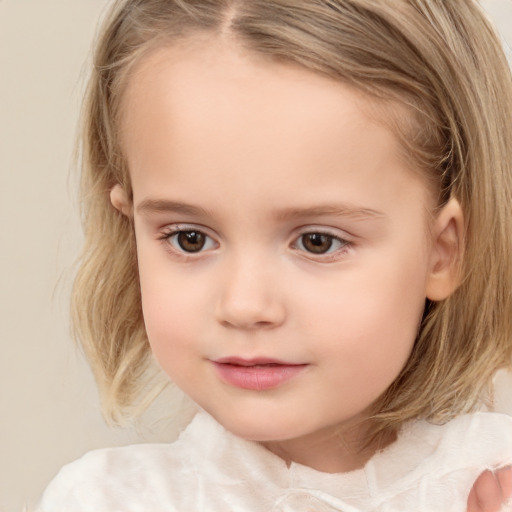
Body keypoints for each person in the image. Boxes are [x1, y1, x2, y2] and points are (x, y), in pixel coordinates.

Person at [36, 0, 512, 510]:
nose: (244, 305)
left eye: (317, 242)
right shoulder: (106, 501)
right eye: (189, 238)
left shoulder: (488, 481)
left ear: (444, 252)